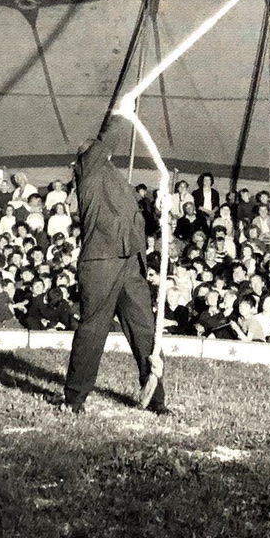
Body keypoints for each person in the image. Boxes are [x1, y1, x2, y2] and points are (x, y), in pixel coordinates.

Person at [61, 125, 165, 414]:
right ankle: (74, 399)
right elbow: (106, 138)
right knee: (94, 329)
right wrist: (123, 109)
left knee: (144, 329)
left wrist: (156, 211)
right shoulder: (88, 171)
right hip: (101, 262)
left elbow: (135, 221)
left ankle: (155, 399)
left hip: (130, 262)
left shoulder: (115, 180)